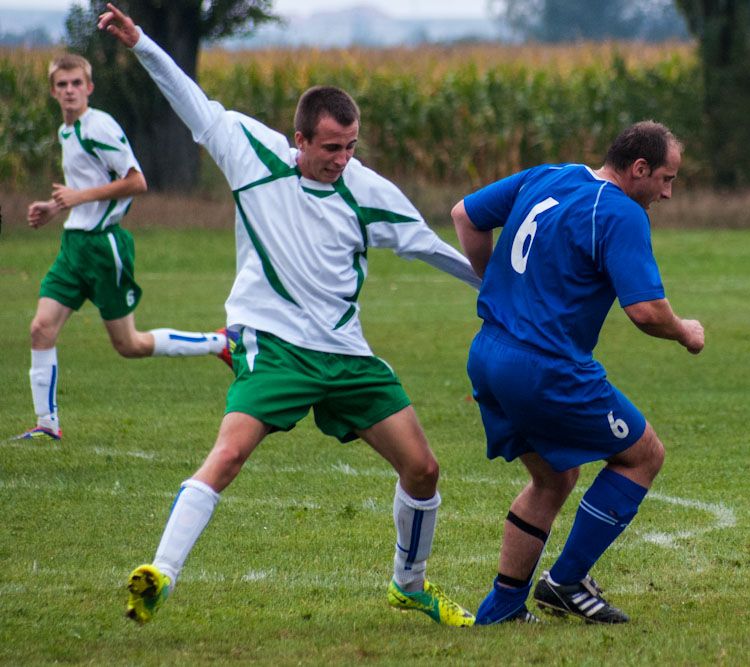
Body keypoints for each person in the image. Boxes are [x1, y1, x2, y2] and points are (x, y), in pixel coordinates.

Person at [98, 4, 479, 627]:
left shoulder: (368, 190)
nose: (342, 158)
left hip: (345, 354)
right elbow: (189, 99)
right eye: (331, 147)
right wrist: (141, 42)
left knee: (423, 468)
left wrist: (504, 289)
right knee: (229, 454)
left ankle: (409, 585)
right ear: (298, 139)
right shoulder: (250, 152)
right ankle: (161, 573)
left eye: (351, 146)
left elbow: (432, 248)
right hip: (272, 345)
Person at [451, 121, 705, 625]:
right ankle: (566, 582)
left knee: (554, 477)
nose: (668, 193)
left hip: (488, 354)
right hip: (546, 368)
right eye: (666, 179)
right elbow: (646, 311)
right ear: (639, 169)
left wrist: (495, 282)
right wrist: (686, 332)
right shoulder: (621, 212)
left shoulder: (550, 174)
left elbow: (465, 215)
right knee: (643, 455)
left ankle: (501, 609)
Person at [12, 53, 229, 442]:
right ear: (53, 91)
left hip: (104, 247)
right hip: (74, 246)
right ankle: (46, 425)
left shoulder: (100, 127)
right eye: (62, 85)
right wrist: (55, 207)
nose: (70, 91)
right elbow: (85, 186)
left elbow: (136, 181)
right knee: (41, 328)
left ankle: (221, 342)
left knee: (130, 344)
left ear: (89, 87)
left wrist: (78, 198)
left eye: (76, 83)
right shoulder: (67, 131)